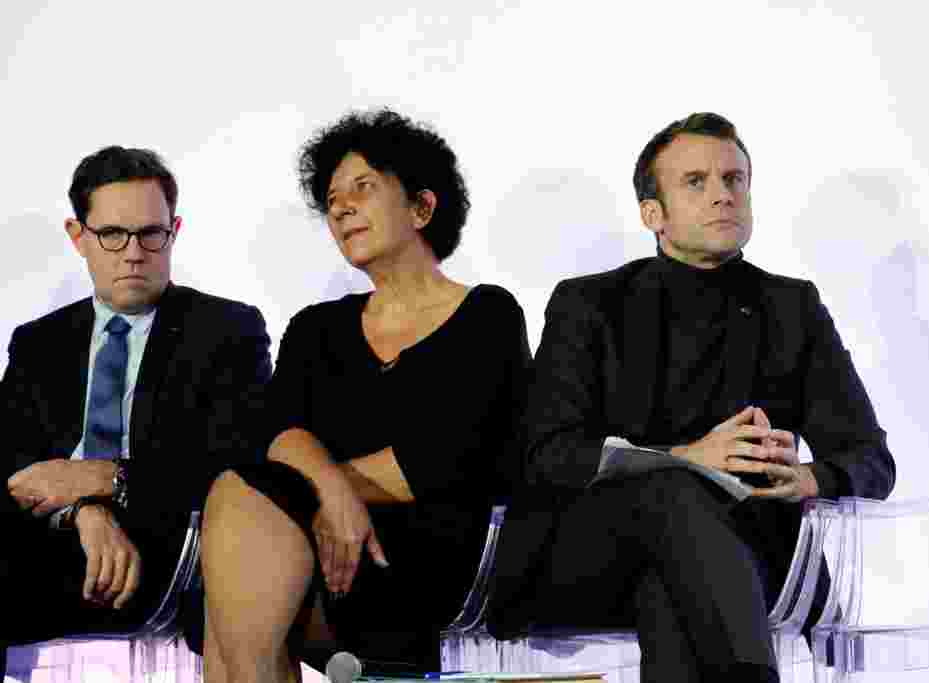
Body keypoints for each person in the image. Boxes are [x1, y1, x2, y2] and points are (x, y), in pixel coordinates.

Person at [488, 112, 896, 682]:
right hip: (590, 560)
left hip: (745, 559)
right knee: (671, 492)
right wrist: (685, 457)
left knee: (672, 594)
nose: (723, 196)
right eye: (696, 182)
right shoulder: (590, 304)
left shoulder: (791, 308)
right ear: (652, 214)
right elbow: (546, 457)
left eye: (734, 180)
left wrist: (808, 478)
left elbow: (872, 459)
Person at [199, 109, 531, 683]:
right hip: (315, 539)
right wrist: (329, 493)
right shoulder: (315, 328)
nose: (341, 207)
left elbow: (449, 456)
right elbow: (275, 433)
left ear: (423, 207)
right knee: (239, 504)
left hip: (428, 551)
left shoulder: (488, 313)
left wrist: (320, 490)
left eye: (363, 188)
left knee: (239, 559)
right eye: (331, 199)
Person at [0, 146, 272, 678]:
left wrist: (108, 478)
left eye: (151, 234)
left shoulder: (227, 331)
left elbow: (238, 464)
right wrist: (83, 510)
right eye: (112, 234)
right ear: (78, 236)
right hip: (39, 547)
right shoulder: (38, 342)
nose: (133, 253)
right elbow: (11, 461)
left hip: (164, 552)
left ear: (174, 231)